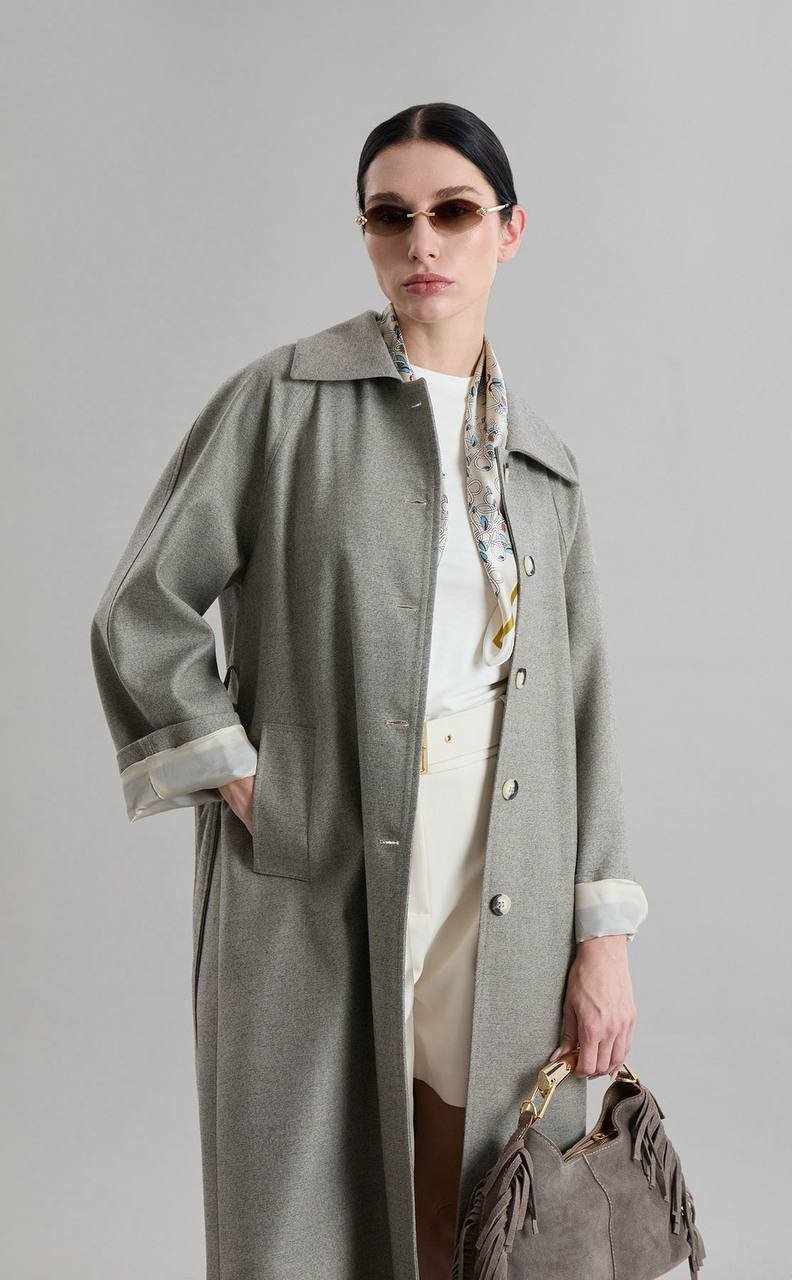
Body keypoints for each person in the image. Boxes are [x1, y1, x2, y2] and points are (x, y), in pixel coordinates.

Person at [90, 101, 649, 1280]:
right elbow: (143, 606)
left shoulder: (543, 467)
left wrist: (601, 941)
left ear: (509, 230)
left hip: (506, 870)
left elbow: (585, 710)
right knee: (306, 1187)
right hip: (322, 849)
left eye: (453, 211)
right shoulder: (281, 403)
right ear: (365, 233)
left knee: (481, 1187)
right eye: (390, 217)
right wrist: (244, 778)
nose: (421, 243)